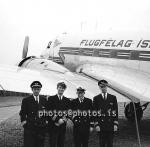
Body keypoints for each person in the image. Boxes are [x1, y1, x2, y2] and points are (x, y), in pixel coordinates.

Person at [19, 81, 47, 147]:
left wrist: (46, 122)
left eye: (38, 89)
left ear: (40, 89)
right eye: (35, 89)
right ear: (32, 89)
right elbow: (22, 113)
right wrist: (24, 123)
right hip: (30, 128)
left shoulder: (44, 99)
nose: (36, 91)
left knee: (40, 144)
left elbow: (46, 112)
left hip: (41, 128)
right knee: (30, 144)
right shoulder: (26, 100)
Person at [93, 80, 118, 147]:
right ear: (99, 87)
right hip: (101, 125)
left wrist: (115, 124)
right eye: (101, 86)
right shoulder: (96, 98)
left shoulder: (113, 98)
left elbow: (115, 111)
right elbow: (94, 113)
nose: (103, 88)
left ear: (107, 86)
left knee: (110, 143)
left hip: (110, 124)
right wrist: (96, 124)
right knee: (102, 143)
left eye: (104, 86)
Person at [47, 82, 71, 147]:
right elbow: (49, 111)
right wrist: (57, 120)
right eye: (60, 87)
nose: (61, 89)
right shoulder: (51, 99)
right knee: (52, 143)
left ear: (64, 89)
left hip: (62, 125)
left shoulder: (67, 100)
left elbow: (69, 112)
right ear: (57, 88)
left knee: (61, 142)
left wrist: (63, 120)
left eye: (63, 88)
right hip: (53, 125)